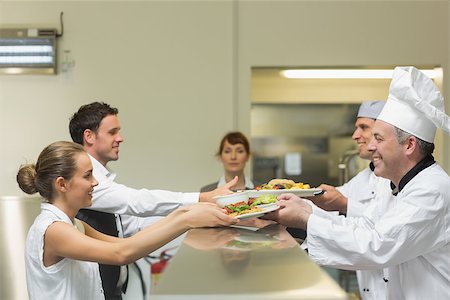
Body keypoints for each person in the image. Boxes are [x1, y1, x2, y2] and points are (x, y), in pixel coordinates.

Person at [265, 66, 450, 300]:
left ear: (410, 145)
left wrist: (304, 219)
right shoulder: (399, 187)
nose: (370, 146)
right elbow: (363, 227)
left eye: (379, 138)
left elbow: (376, 245)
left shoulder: (432, 191)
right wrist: (304, 210)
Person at [17, 141, 238, 300]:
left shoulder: (75, 225)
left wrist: (184, 214)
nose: (95, 183)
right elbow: (120, 254)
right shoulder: (53, 230)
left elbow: (124, 244)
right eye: (87, 176)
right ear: (62, 184)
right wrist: (187, 220)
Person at [69, 102, 237, 299]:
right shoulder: (84, 181)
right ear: (89, 136)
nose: (120, 139)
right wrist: (201, 199)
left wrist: (194, 219)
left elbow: (133, 224)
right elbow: (136, 201)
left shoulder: (100, 178)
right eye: (112, 132)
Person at [307, 100, 391, 299]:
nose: (355, 136)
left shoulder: (400, 181)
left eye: (363, 127)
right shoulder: (362, 179)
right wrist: (285, 201)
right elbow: (329, 203)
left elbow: (384, 229)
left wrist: (344, 204)